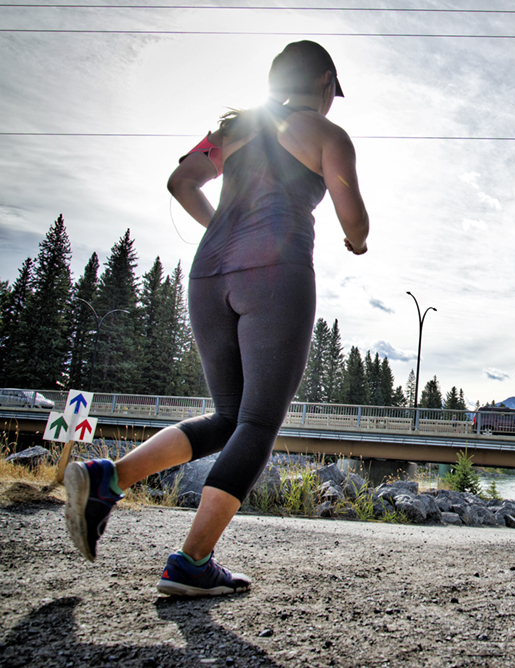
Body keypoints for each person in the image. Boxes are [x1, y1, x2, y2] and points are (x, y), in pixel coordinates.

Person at [63, 41, 369, 596]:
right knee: (256, 423)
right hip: (276, 272)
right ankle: (191, 562)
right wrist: (356, 242)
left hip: (207, 276)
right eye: (333, 92)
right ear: (325, 82)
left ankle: (110, 478)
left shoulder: (234, 130)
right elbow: (356, 223)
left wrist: (219, 229)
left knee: (228, 417)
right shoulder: (327, 136)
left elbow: (180, 182)